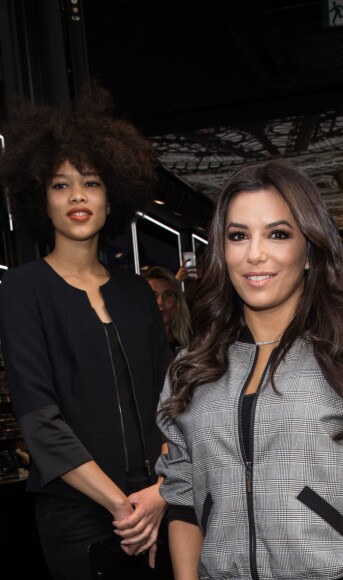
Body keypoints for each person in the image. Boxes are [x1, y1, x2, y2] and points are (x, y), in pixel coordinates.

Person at [155, 159, 343, 580]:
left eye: (278, 233)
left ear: (309, 249)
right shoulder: (192, 367)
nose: (254, 254)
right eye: (238, 236)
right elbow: (182, 498)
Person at [0, 83, 173, 579]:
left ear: (111, 196)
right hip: (78, 515)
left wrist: (159, 493)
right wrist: (123, 506)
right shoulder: (22, 289)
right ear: (42, 199)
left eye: (91, 182)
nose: (77, 195)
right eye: (60, 184)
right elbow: (40, 423)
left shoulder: (137, 293)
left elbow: (170, 405)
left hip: (156, 505)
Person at [144, 265, 192, 353]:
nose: (160, 302)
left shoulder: (189, 343)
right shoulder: (137, 346)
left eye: (167, 294)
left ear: (177, 301)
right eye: (153, 295)